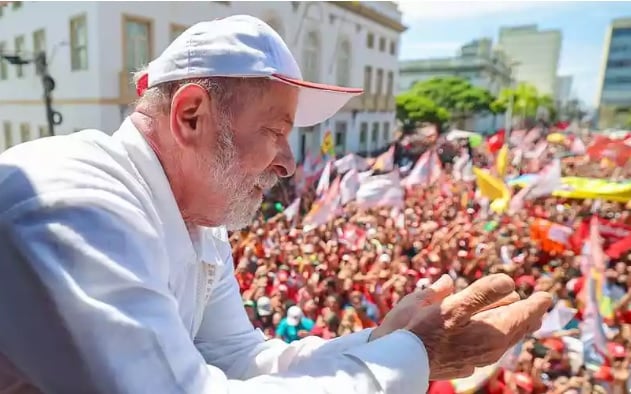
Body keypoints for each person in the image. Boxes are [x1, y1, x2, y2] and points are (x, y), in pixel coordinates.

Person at [0, 15, 551, 394]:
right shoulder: (72, 203)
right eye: (276, 130)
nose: (288, 162)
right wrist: (412, 361)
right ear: (190, 115)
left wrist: (382, 344)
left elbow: (238, 358)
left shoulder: (198, 224)